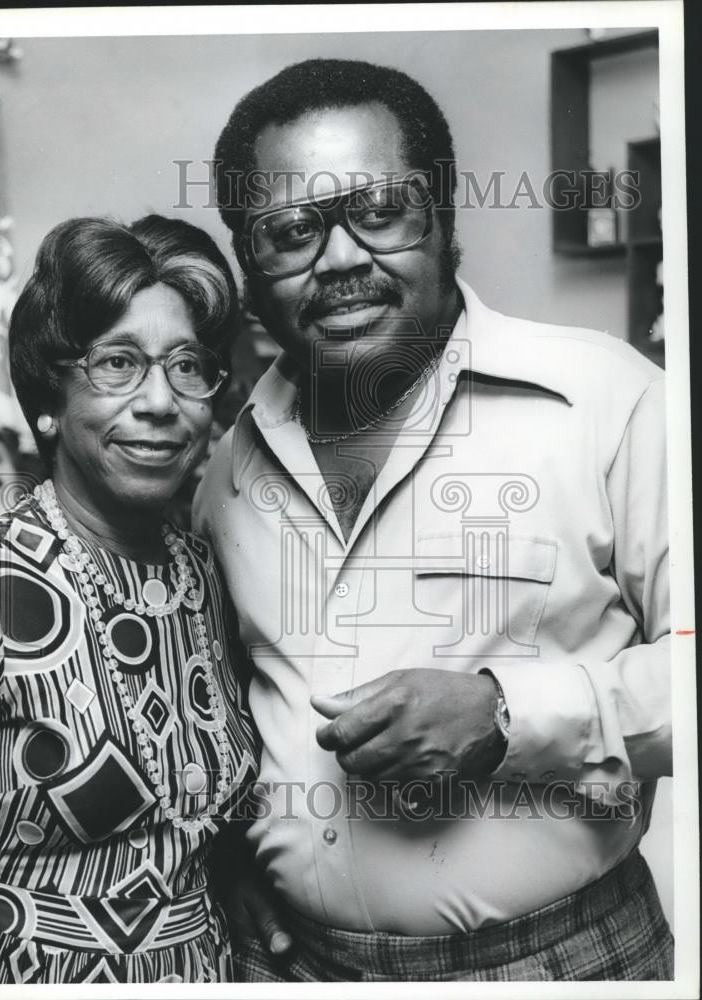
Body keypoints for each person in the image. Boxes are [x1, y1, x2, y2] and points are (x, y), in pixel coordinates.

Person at [193, 58, 673, 981]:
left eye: (379, 212)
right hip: (297, 967)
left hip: (560, 963)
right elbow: (226, 717)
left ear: (444, 215)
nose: (337, 260)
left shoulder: (608, 400)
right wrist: (232, 862)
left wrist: (507, 713)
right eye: (290, 231)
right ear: (251, 265)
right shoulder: (226, 469)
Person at [0, 215, 258, 983]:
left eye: (188, 366)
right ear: (50, 393)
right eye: (118, 363)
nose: (160, 402)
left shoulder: (204, 574)